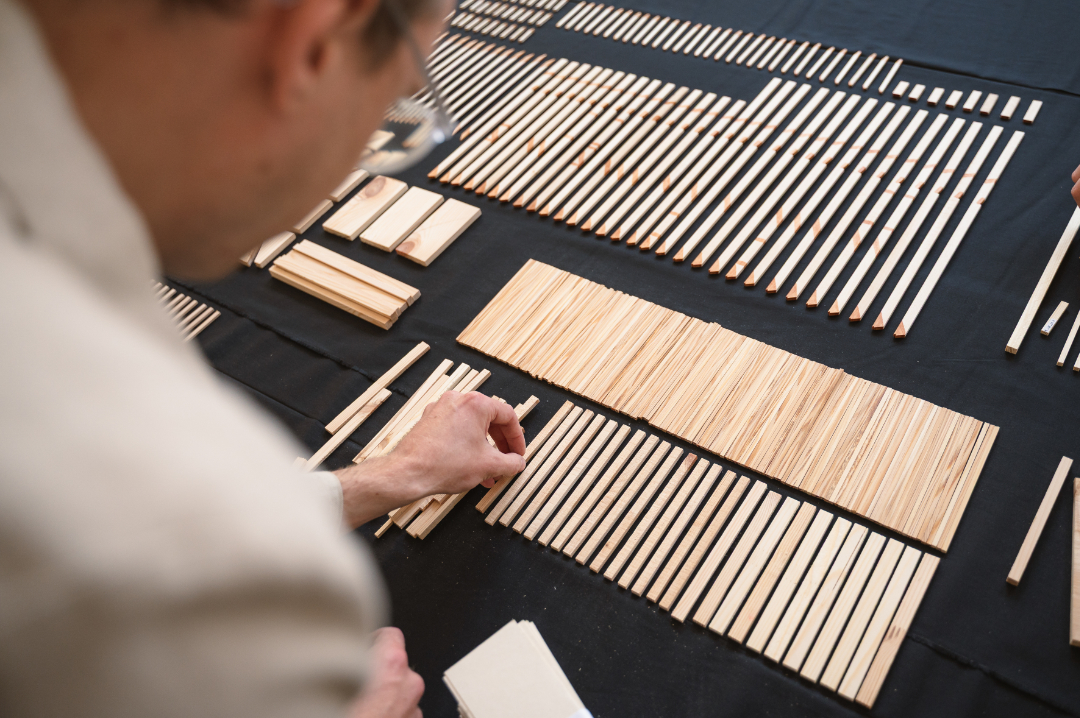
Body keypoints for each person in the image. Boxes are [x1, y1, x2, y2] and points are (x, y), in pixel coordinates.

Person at [0, 0, 527, 716]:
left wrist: (397, 476)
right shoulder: (184, 569)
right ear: (313, 43)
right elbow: (167, 544)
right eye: (389, 108)